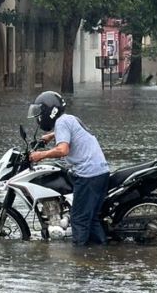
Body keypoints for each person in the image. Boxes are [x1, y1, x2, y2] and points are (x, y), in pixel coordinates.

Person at [26, 91, 110, 247]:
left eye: (40, 113)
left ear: (50, 112)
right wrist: (52, 136)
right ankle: (99, 254)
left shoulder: (61, 123)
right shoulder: (69, 119)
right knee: (91, 218)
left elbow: (63, 150)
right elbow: (74, 130)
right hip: (100, 171)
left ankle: (80, 261)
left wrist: (41, 155)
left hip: (88, 174)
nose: (39, 118)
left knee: (79, 219)